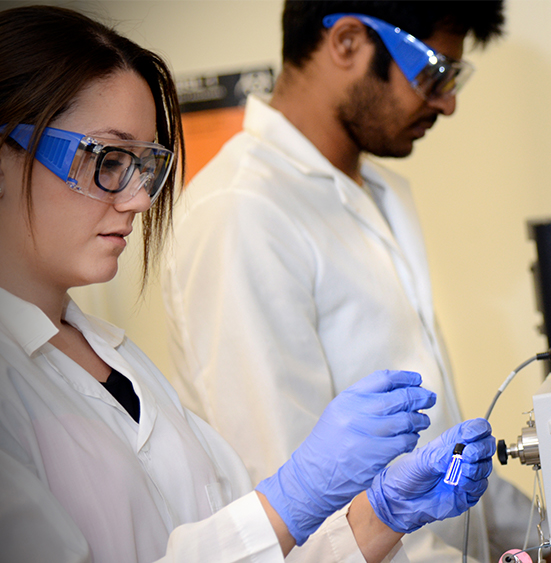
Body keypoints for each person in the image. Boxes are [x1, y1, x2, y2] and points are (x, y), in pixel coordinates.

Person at [0, 6, 495, 562]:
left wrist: (379, 518)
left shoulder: (120, 359)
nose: (139, 199)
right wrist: (299, 497)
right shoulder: (239, 208)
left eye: (146, 165)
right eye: (109, 159)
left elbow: (257, 544)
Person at [163, 2, 530, 561]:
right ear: (349, 42)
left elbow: (441, 443)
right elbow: (297, 507)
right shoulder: (242, 212)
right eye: (435, 73)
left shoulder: (375, 191)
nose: (447, 103)